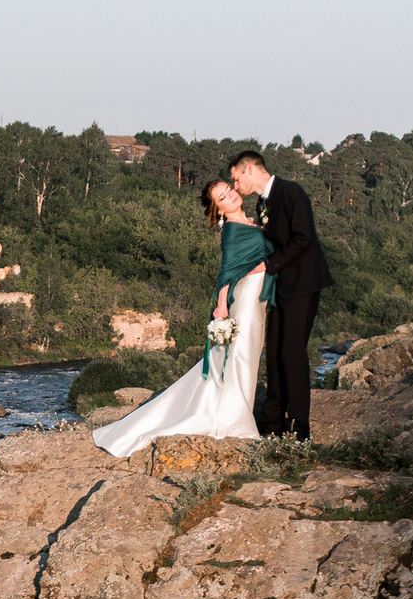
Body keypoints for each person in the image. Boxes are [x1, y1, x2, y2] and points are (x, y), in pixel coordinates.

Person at [92, 180, 272, 454]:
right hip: (246, 297)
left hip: (257, 297)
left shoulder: (252, 219)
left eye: (230, 190)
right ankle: (235, 419)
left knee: (247, 354)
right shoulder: (233, 231)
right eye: (223, 197)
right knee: (241, 354)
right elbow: (227, 271)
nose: (232, 195)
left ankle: (238, 411)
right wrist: (221, 306)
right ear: (219, 210)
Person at [226, 148, 333, 440]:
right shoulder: (264, 201)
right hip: (280, 288)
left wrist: (268, 265)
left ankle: (300, 430)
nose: (236, 187)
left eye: (236, 180)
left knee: (293, 354)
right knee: (274, 353)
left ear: (249, 169)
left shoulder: (290, 191)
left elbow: (303, 238)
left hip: (303, 284)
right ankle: (272, 423)